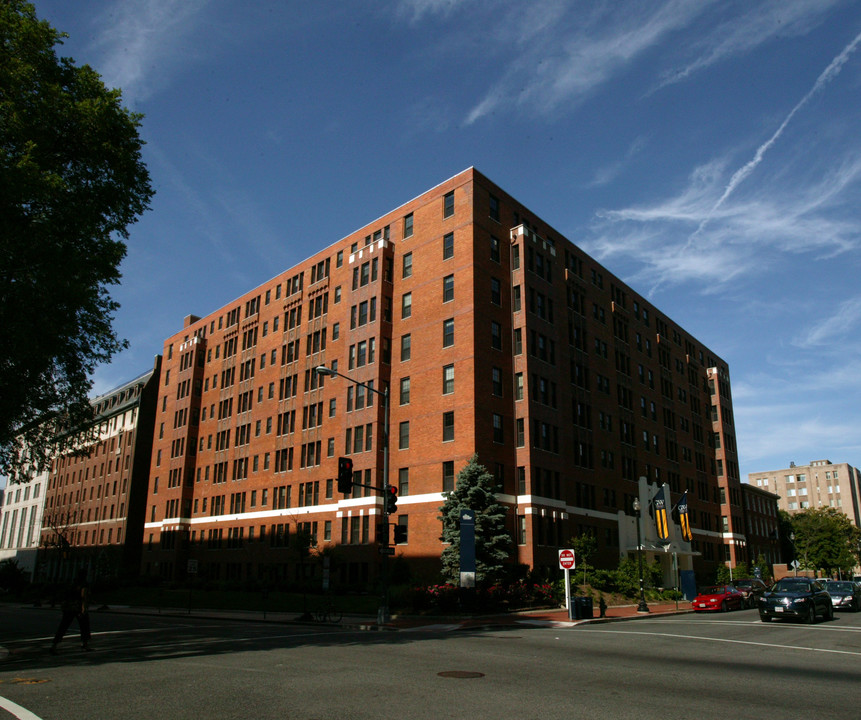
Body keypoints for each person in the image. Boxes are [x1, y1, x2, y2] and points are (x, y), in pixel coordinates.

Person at [50, 568, 92, 654]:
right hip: (78, 607)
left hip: (69, 607)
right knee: (84, 626)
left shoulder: (73, 583)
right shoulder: (84, 584)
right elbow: (84, 597)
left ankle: (54, 645)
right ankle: (85, 644)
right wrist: (84, 609)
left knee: (63, 626)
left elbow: (66, 595)